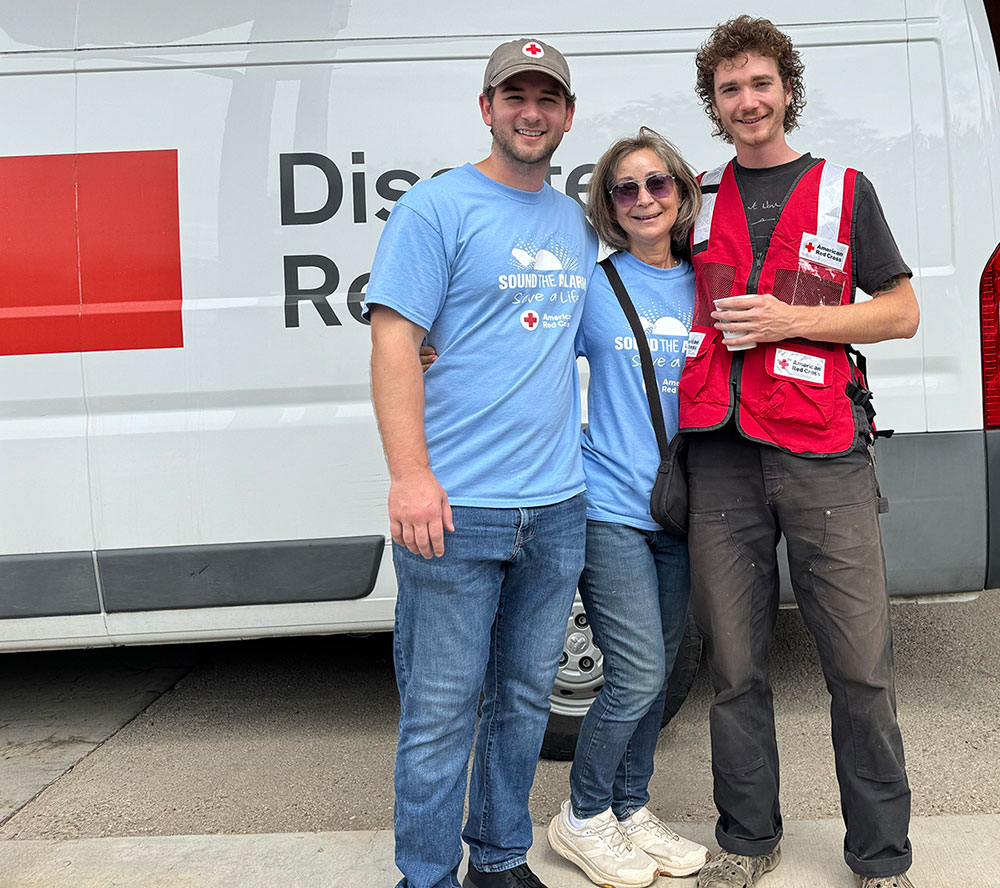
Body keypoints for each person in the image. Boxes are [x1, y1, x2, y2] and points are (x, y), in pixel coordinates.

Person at [679, 16, 921, 888]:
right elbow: (634, 286)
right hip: (722, 457)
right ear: (714, 103)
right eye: (729, 88)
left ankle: (880, 859)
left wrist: (795, 322)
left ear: (788, 90)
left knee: (860, 669)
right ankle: (747, 844)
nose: (747, 101)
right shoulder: (692, 197)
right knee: (735, 671)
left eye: (760, 84)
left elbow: (900, 311)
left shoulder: (844, 191)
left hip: (824, 455)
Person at [365, 38, 597, 888]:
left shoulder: (573, 220)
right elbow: (395, 347)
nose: (530, 112)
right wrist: (411, 476)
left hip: (557, 506)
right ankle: (425, 876)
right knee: (439, 713)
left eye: (548, 99)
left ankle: (499, 858)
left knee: (523, 704)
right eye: (515, 96)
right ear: (487, 106)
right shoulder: (436, 208)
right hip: (456, 510)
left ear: (567, 116)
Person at [543, 128, 710, 888]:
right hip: (610, 503)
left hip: (687, 510)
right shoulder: (593, 284)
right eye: (625, 189)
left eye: (657, 184)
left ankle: (629, 806)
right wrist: (434, 346)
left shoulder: (710, 283)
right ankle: (581, 817)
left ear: (681, 192)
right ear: (609, 206)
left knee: (668, 668)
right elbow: (524, 353)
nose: (644, 198)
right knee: (639, 670)